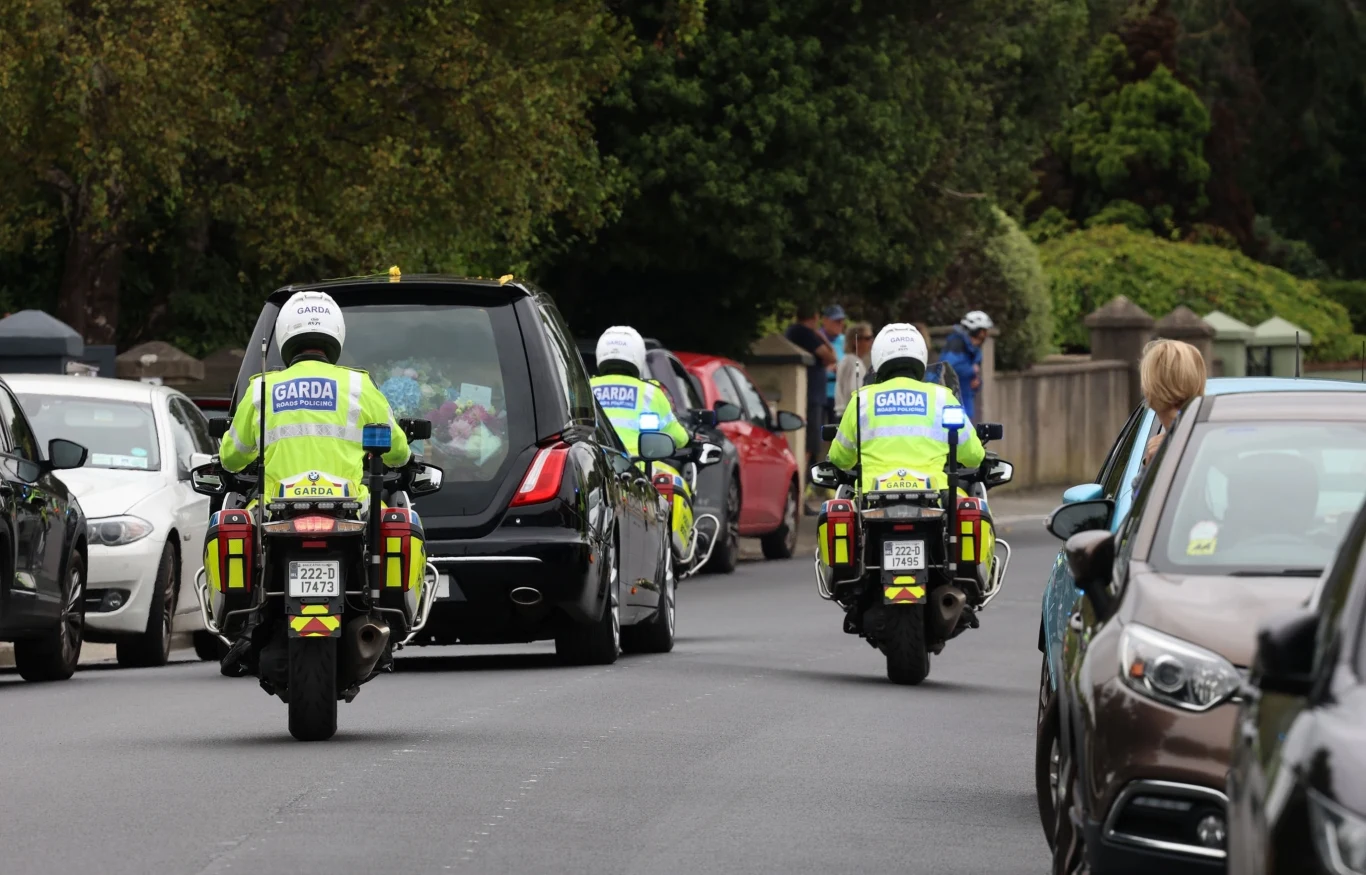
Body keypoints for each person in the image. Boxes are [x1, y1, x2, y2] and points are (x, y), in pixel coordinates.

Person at [217, 290, 413, 676]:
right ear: (335, 335)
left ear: (285, 337)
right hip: (351, 510)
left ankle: (245, 622)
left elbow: (231, 457)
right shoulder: (359, 387)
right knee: (399, 522)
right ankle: (387, 614)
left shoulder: (262, 389)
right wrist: (401, 462)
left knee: (232, 524)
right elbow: (397, 450)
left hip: (277, 511)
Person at [829, 323, 985, 494]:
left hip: (869, 498)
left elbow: (839, 458)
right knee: (974, 509)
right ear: (921, 355)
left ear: (878, 357)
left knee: (838, 510)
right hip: (935, 496)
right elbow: (973, 456)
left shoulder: (861, 399)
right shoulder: (943, 397)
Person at [1131, 339, 1207, 495]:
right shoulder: (1211, 437)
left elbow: (1143, 516)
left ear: (1150, 390)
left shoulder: (1174, 446)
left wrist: (1150, 473)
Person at [785, 307, 838, 510]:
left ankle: (801, 496)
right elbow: (830, 357)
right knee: (808, 447)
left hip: (813, 397)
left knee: (811, 447)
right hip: (811, 397)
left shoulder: (794, 332)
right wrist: (820, 336)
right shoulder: (804, 333)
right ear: (815, 317)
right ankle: (800, 498)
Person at [938, 310, 993, 421]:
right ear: (978, 331)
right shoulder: (956, 344)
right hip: (952, 406)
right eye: (984, 331)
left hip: (965, 405)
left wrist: (977, 382)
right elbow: (947, 367)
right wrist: (971, 370)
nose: (986, 335)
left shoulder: (973, 350)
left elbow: (971, 377)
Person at [835, 321, 874, 418]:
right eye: (867, 338)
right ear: (856, 341)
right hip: (851, 414)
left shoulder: (846, 359)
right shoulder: (854, 362)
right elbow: (853, 390)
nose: (871, 342)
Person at [820, 305, 847, 426]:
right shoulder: (817, 339)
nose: (840, 324)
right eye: (836, 321)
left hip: (839, 395)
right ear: (825, 321)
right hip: (821, 392)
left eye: (841, 321)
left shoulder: (845, 341)